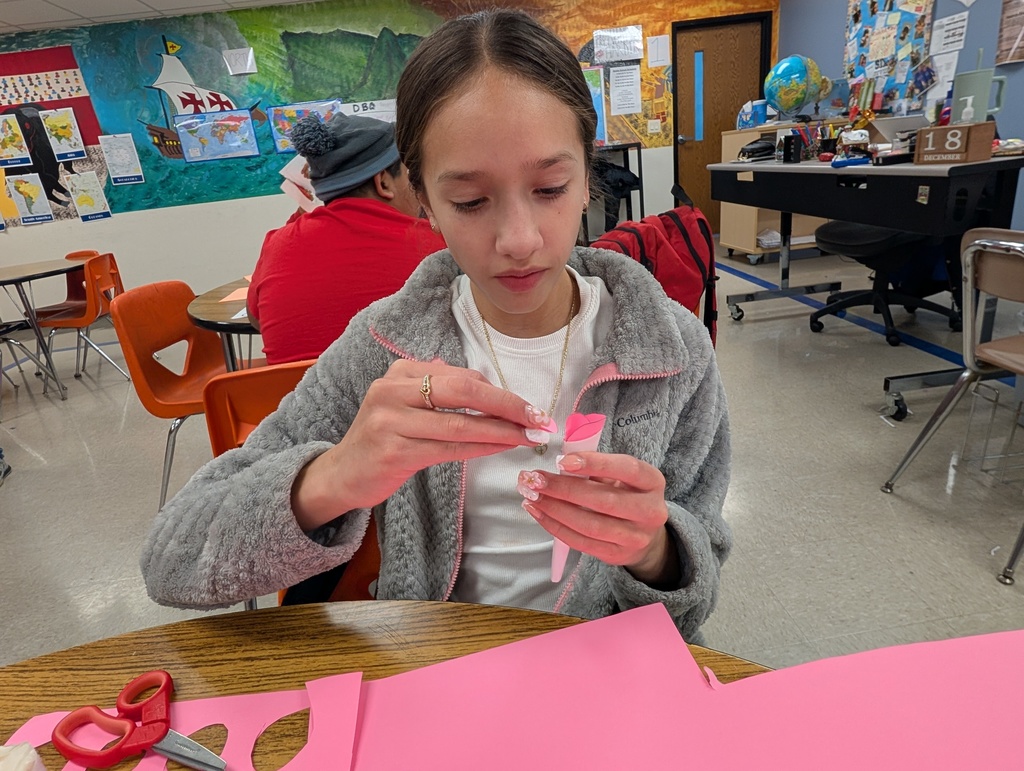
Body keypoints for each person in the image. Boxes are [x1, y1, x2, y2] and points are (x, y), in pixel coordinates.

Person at [142, 9, 731, 642]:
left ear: (589, 176)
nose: (518, 239)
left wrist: (654, 550)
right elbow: (172, 562)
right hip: (436, 673)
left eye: (551, 187)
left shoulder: (670, 350)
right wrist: (334, 476)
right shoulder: (384, 349)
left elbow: (693, 603)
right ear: (421, 199)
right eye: (471, 202)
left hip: (611, 674)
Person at [247, 111, 446, 364]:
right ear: (383, 183)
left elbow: (256, 320)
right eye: (409, 175)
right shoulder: (436, 245)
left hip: (296, 401)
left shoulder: (278, 243)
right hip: (410, 399)